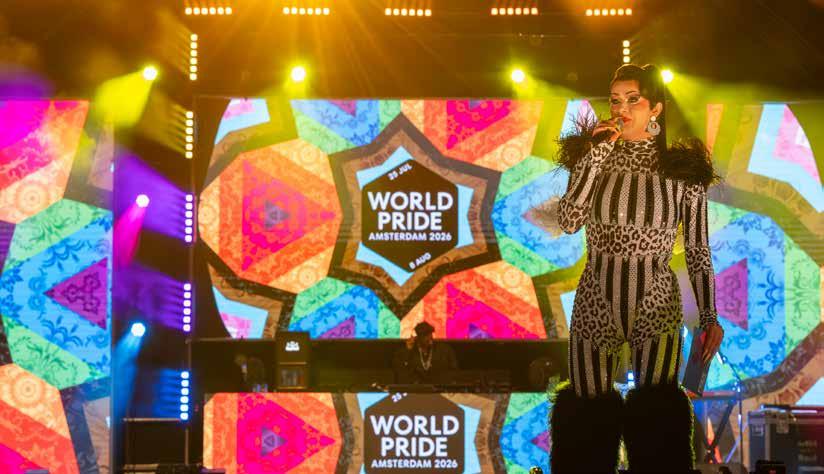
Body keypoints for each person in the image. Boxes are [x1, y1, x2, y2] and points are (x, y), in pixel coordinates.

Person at [547, 64, 725, 473]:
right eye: (615, 100)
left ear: (655, 109)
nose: (621, 109)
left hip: (656, 301)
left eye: (633, 100)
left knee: (657, 412)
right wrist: (595, 156)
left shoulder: (683, 172)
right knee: (585, 410)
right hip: (596, 298)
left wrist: (709, 315)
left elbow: (698, 248)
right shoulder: (593, 158)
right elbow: (570, 221)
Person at [392, 321, 458, 384]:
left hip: (438, 386)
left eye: (430, 334)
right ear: (418, 337)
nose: (429, 337)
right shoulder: (409, 350)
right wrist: (407, 350)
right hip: (416, 387)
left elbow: (453, 369)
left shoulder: (444, 349)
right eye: (425, 335)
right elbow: (399, 369)